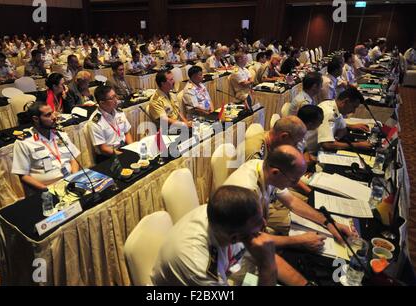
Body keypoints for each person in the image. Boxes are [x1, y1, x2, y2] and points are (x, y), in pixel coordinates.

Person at [151, 185, 309, 286]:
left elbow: (264, 248)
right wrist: (267, 266)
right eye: (257, 226)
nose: (264, 224)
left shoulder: (226, 217)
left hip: (229, 274)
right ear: (235, 238)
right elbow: (267, 260)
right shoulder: (199, 264)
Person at [225, 145, 355, 248]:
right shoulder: (246, 191)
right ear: (276, 173)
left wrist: (329, 223)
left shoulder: (264, 168)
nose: (295, 184)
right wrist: (298, 241)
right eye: (293, 180)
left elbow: (292, 201)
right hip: (235, 249)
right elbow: (252, 240)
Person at [11, 101, 80, 191]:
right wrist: (46, 189)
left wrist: (74, 178)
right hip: (47, 188)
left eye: (53, 113)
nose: (54, 117)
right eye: (48, 115)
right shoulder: (24, 142)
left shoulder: (60, 134)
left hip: (70, 182)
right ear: (36, 119)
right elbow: (23, 175)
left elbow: (73, 159)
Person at [309, 86, 372, 153]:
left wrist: (350, 126)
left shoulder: (332, 104)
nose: (353, 111)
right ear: (346, 101)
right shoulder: (329, 113)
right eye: (353, 107)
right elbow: (327, 144)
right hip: (313, 152)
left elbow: (342, 128)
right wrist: (357, 145)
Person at [88, 85, 133, 163]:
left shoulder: (119, 112)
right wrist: (123, 155)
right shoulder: (95, 122)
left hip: (124, 149)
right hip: (109, 156)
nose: (116, 100)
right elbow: (103, 149)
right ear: (102, 103)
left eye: (115, 96)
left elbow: (127, 133)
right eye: (112, 98)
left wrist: (132, 148)